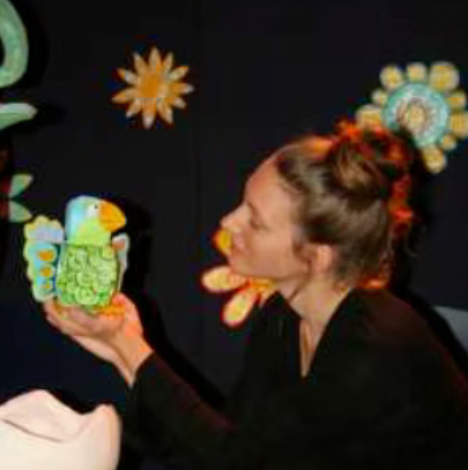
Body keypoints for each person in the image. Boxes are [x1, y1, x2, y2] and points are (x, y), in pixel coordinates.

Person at [43, 121, 468, 469]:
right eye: (242, 204)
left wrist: (127, 346)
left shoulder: (373, 351)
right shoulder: (284, 316)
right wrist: (118, 343)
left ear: (317, 256)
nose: (230, 221)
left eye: (256, 221)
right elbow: (229, 443)